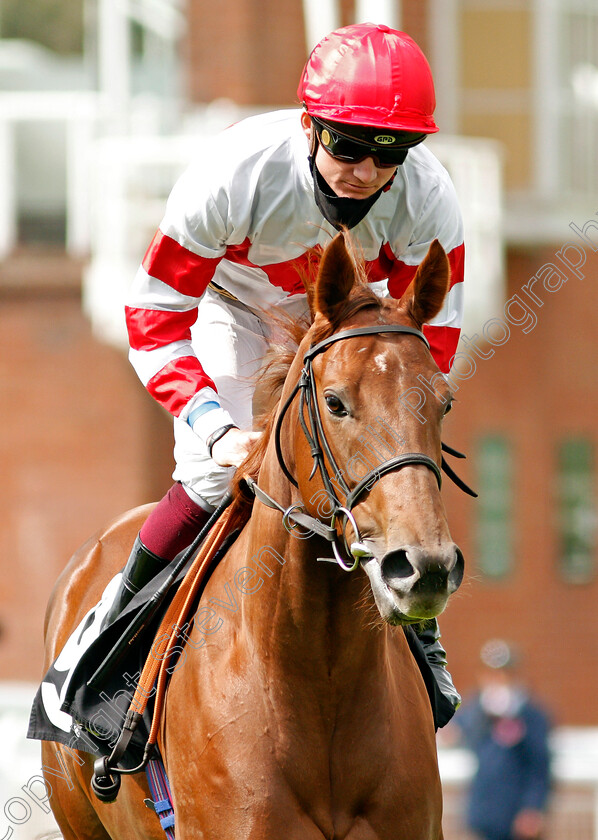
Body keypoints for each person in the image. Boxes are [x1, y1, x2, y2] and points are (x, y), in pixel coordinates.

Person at [109, 23, 465, 719]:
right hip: (235, 307)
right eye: (349, 146)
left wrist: (382, 424)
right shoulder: (230, 176)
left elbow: (430, 347)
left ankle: (423, 627)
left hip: (357, 329)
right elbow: (153, 319)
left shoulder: (430, 198)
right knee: (215, 473)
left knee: (393, 460)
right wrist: (214, 427)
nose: (366, 171)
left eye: (392, 151)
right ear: (309, 126)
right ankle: (111, 640)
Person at [454, 640, 552, 840]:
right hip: (484, 812)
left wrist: (532, 808)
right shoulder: (477, 711)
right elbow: (457, 732)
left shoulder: (531, 716)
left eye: (503, 674)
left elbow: (539, 767)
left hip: (516, 814)